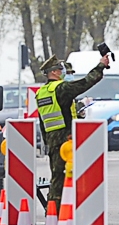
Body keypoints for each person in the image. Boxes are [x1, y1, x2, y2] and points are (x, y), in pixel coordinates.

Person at [36, 52, 110, 205]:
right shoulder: (60, 88)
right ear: (54, 72)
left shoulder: (41, 93)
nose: (63, 72)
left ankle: (54, 211)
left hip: (53, 141)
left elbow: (43, 121)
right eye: (60, 69)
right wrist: (101, 65)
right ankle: (59, 211)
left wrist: (47, 143)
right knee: (67, 176)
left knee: (57, 176)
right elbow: (85, 83)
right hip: (66, 140)